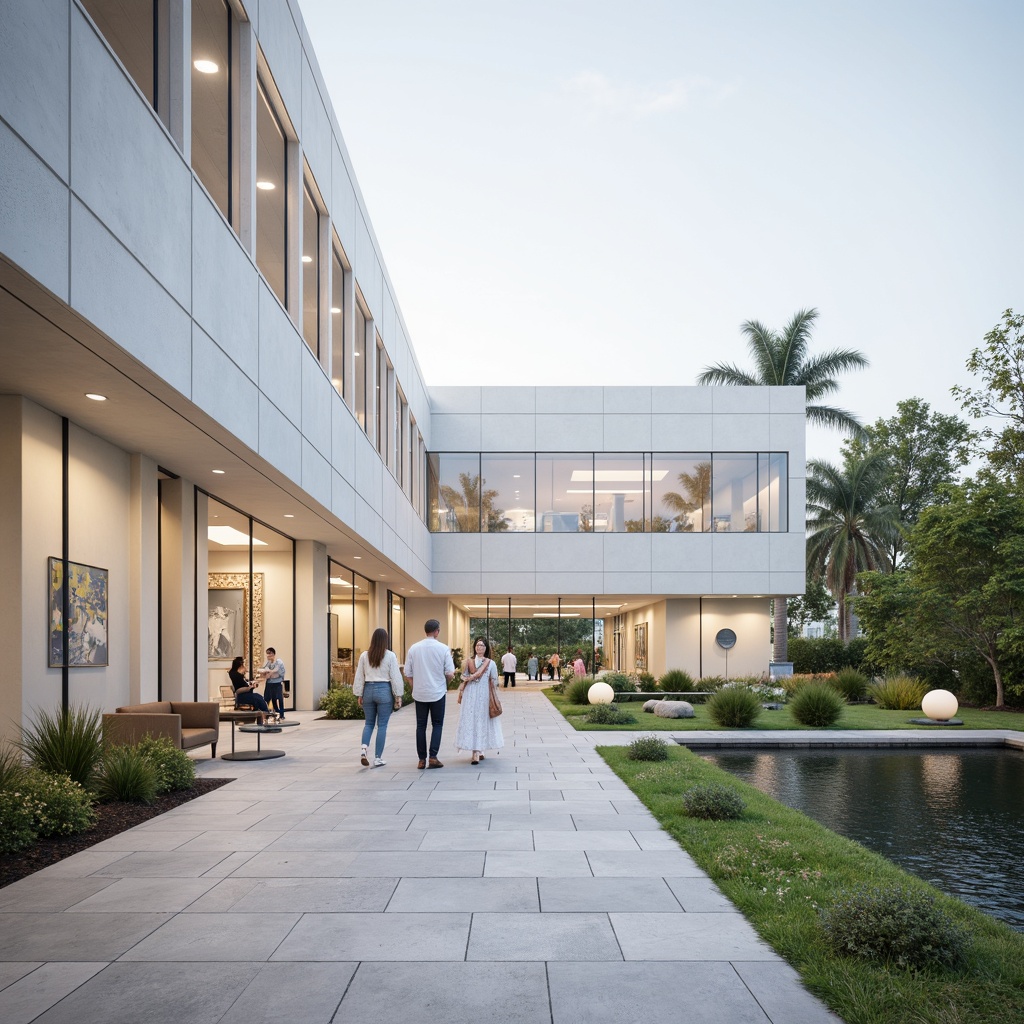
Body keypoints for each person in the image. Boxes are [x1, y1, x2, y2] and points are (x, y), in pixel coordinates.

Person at [403, 619, 455, 769]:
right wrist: (445, 682)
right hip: (437, 692)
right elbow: (450, 673)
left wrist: (415, 686)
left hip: (420, 693)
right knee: (437, 724)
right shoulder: (443, 648)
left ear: (425, 631)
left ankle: (421, 759)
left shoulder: (414, 648)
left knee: (421, 726)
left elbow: (407, 673)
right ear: (437, 631)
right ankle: (433, 756)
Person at [353, 627, 405, 767]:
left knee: (368, 723)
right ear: (385, 641)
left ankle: (364, 749)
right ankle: (378, 758)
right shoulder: (390, 655)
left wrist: (359, 693)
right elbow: (395, 676)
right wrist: (398, 695)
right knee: (382, 725)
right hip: (384, 690)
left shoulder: (364, 655)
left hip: (368, 689)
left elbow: (359, 675)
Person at [456, 636, 503, 765]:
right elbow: (463, 675)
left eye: (482, 645)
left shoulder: (490, 663)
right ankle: (475, 751)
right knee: (471, 720)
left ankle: (480, 749)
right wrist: (467, 678)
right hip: (470, 695)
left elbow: (495, 680)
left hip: (484, 696)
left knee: (482, 721)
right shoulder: (469, 662)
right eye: (477, 645)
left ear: (486, 648)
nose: (479, 647)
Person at [256, 647, 287, 718]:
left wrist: (271, 672)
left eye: (270, 654)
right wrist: (265, 672)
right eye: (267, 654)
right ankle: (273, 712)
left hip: (277, 683)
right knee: (270, 698)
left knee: (279, 698)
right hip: (269, 682)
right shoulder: (267, 662)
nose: (268, 656)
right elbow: (264, 669)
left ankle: (281, 714)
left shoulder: (279, 662)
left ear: (273, 654)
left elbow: (279, 671)